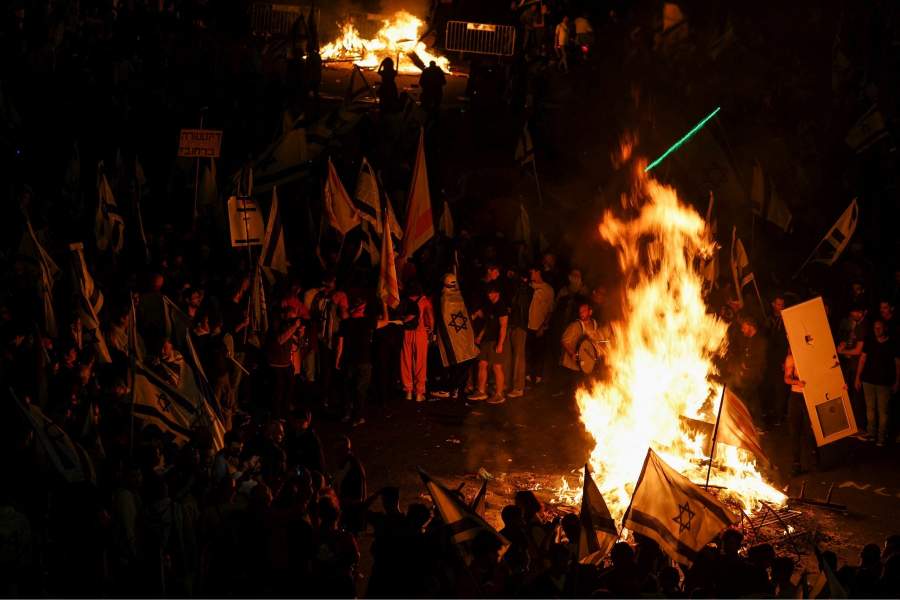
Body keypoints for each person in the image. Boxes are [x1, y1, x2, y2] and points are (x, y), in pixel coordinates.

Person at [335, 296, 390, 425]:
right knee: (360, 390)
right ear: (362, 308)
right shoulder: (368, 321)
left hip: (348, 361)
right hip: (363, 361)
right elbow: (386, 321)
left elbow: (340, 344)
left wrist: (337, 359)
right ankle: (357, 417)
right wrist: (385, 306)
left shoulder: (345, 323)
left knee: (348, 388)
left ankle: (347, 414)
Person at [854, 319, 899, 446]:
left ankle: (881, 436)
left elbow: (897, 363)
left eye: (879, 328)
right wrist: (858, 377)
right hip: (868, 380)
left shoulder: (892, 343)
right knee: (870, 409)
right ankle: (871, 433)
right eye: (875, 328)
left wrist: (897, 381)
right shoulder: (870, 341)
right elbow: (863, 358)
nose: (877, 330)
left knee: (883, 411)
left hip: (884, 382)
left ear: (885, 328)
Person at [434, 273, 478, 400]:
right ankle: (454, 389)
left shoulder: (447, 299)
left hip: (459, 336)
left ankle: (450, 388)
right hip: (457, 336)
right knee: (459, 363)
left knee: (460, 363)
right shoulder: (450, 298)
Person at [471, 284, 509, 404]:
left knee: (497, 367)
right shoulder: (490, 306)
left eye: (491, 293)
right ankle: (481, 391)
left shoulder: (501, 307)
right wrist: (480, 336)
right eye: (488, 293)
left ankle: (499, 394)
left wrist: (500, 343)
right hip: (487, 340)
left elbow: (503, 326)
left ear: (497, 293)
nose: (489, 295)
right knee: (482, 364)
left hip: (495, 340)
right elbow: (488, 323)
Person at [559, 301, 605, 398]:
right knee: (573, 386)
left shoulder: (594, 324)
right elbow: (564, 340)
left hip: (586, 362)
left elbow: (597, 340)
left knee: (584, 385)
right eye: (580, 311)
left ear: (590, 312)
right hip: (573, 364)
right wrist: (572, 353)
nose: (581, 313)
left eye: (584, 311)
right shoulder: (575, 326)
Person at [400, 282, 434, 402]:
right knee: (420, 362)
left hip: (407, 332)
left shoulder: (404, 300)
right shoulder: (424, 301)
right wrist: (431, 330)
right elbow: (430, 317)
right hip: (420, 333)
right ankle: (419, 393)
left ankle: (408, 391)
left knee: (406, 361)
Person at [784, 351, 817, 474]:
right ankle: (796, 463)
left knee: (811, 430)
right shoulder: (791, 358)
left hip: (811, 396)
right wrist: (796, 382)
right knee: (794, 431)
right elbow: (787, 378)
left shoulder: (812, 354)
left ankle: (813, 460)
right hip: (796, 396)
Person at [731, 315, 768, 425]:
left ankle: (759, 425)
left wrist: (747, 365)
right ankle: (752, 423)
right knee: (747, 400)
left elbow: (761, 360)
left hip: (756, 377)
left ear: (750, 326)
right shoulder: (749, 340)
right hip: (748, 377)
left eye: (744, 326)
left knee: (752, 401)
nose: (742, 329)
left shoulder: (760, 340)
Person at [506, 269, 533, 398]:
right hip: (513, 325)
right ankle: (510, 384)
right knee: (511, 356)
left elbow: (521, 307)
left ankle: (518, 387)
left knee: (518, 357)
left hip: (520, 326)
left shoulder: (525, 291)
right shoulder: (516, 290)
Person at [527, 266, 554, 386]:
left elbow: (550, 311)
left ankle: (537, 378)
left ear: (538, 272)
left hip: (539, 327)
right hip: (528, 326)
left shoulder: (548, 289)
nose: (530, 274)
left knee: (539, 353)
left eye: (532, 271)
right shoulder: (529, 286)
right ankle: (528, 377)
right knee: (529, 353)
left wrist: (543, 327)